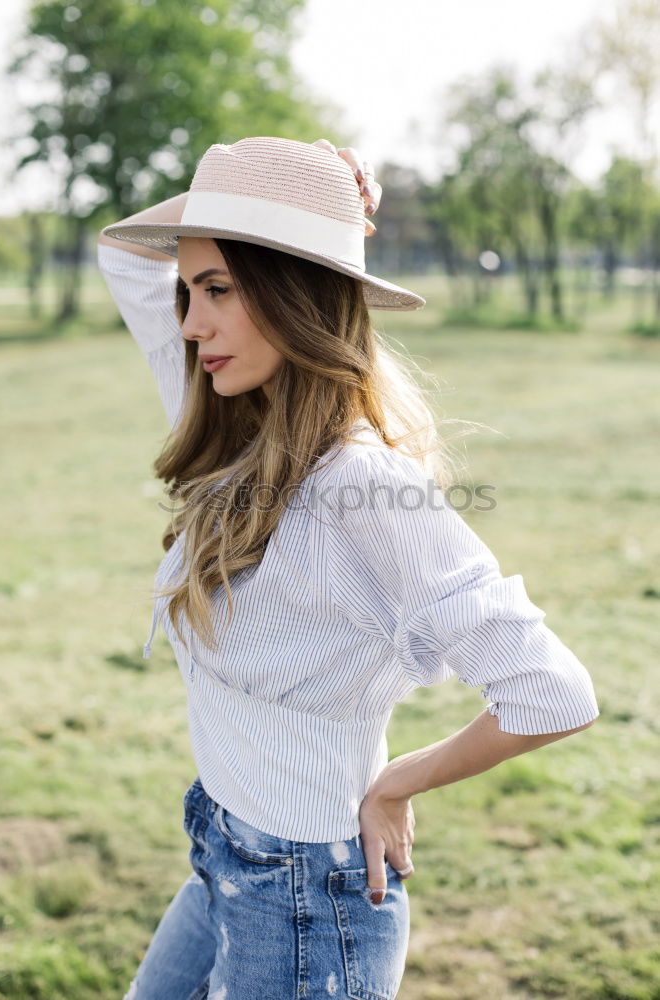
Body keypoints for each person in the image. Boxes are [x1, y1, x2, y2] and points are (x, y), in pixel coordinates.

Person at [97, 135, 599, 1000]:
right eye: (187, 291)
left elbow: (553, 691)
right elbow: (122, 256)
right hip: (221, 854)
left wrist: (400, 781)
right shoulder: (234, 419)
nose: (188, 322)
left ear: (296, 295)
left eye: (216, 290)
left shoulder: (362, 488)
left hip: (306, 902)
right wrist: (290, 194)